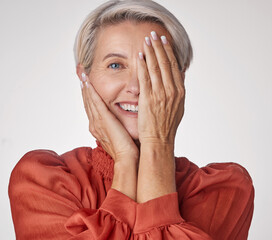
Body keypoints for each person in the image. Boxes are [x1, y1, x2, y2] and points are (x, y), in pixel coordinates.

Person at [8, 0, 254, 239]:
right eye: (115, 65)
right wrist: (125, 162)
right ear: (85, 77)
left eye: (154, 67)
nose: (136, 87)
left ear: (179, 81)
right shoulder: (41, 182)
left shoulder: (224, 190)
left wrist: (157, 144)